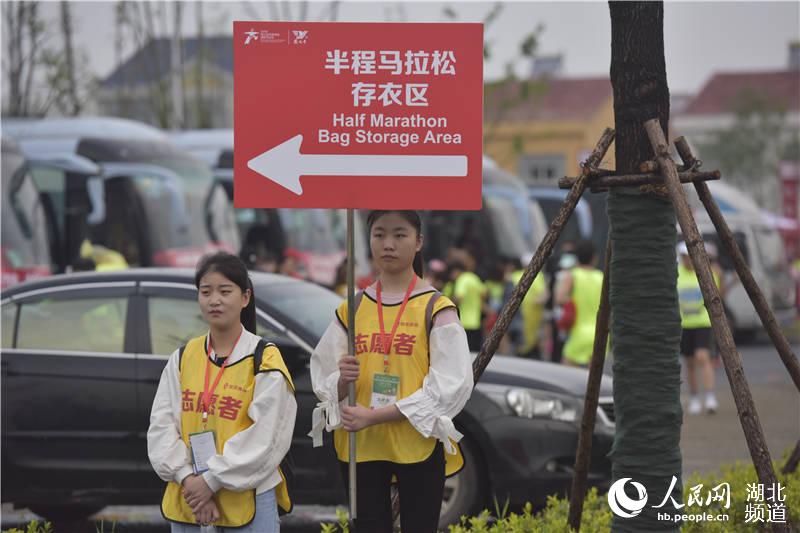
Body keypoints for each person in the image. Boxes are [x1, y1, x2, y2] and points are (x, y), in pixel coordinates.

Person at [309, 210, 473, 533]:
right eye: (379, 235)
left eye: (400, 235)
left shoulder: (436, 308)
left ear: (419, 242)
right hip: (362, 445)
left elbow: (451, 386)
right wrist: (341, 381)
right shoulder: (352, 308)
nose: (388, 244)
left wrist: (378, 415)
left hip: (416, 444)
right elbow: (322, 377)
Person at [148, 252, 297, 532]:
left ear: (245, 297)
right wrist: (188, 479)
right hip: (188, 497)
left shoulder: (264, 359)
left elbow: (266, 437)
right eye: (206, 292)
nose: (214, 300)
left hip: (247, 498)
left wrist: (211, 481)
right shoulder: (183, 357)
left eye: (224, 291)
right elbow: (161, 426)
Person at [677, 242, 719, 414]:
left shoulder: (706, 273)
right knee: (690, 363)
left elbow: (717, 294)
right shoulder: (677, 275)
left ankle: (709, 397)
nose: (689, 261)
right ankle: (694, 398)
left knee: (703, 356)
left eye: (691, 257)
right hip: (684, 325)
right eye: (685, 258)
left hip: (703, 323)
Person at [555, 240, 603, 367]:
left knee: (567, 378)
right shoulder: (601, 277)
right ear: (594, 258)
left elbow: (559, 299)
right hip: (599, 335)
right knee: (592, 382)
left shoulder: (572, 275)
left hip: (578, 334)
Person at [449, 248, 487, 352]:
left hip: (464, 322)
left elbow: (459, 297)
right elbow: (484, 294)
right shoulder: (475, 278)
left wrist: (446, 304)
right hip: (476, 322)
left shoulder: (463, 279)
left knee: (462, 353)